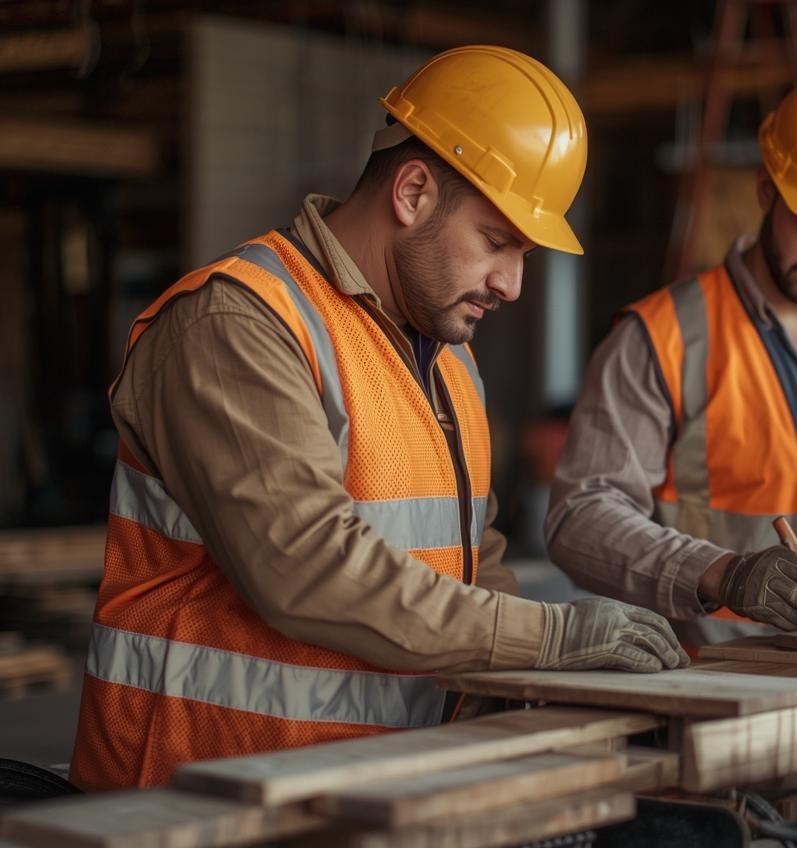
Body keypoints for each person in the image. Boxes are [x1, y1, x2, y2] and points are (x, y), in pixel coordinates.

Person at [70, 46, 685, 791]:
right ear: (414, 191)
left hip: (366, 795)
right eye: (497, 243)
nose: (513, 284)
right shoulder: (238, 323)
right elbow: (305, 566)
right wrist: (548, 637)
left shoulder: (451, 361)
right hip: (199, 799)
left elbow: (471, 558)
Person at [544, 70, 797, 646]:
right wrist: (721, 574)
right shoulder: (660, 336)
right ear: (767, 190)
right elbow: (580, 519)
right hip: (699, 686)